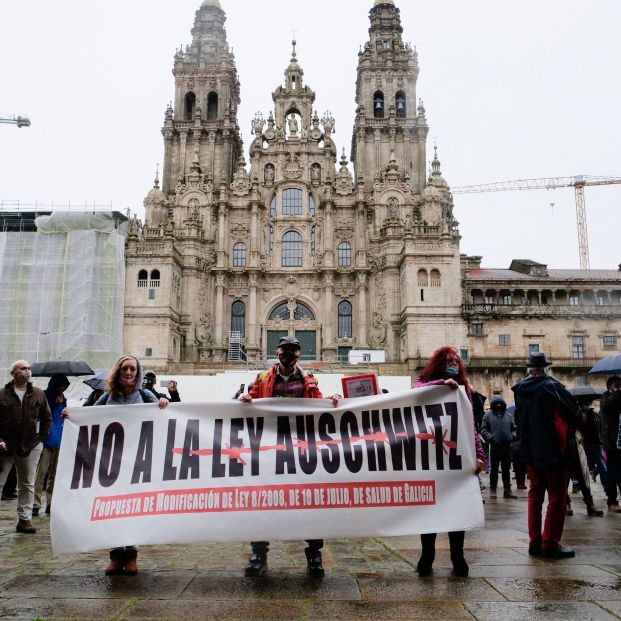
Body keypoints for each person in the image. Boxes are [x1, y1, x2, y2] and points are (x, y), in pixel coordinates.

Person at [239, 335, 341, 578]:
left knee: (311, 500)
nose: (289, 354)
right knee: (262, 500)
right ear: (277, 352)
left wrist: (333, 401)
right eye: (285, 350)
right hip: (269, 449)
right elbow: (251, 398)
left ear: (299, 354)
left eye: (294, 351)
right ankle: (259, 553)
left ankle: (314, 554)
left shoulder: (309, 380)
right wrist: (245, 399)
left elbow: (319, 404)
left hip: (301, 449)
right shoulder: (263, 378)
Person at [69, 355, 169, 575]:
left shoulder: (146, 395)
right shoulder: (107, 397)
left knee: (132, 508)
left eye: (133, 369)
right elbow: (89, 415)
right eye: (125, 369)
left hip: (137, 462)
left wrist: (163, 403)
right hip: (111, 462)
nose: (129, 373)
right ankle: (115, 555)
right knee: (113, 507)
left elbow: (164, 416)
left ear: (138, 372)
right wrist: (72, 415)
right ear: (119, 371)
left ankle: (131, 555)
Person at [411, 346, 486, 578]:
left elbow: (471, 424)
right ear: (438, 363)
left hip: (457, 455)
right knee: (429, 509)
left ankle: (457, 556)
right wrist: (441, 385)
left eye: (455, 359)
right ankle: (427, 555)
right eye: (447, 360)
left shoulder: (466, 390)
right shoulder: (427, 383)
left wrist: (481, 455)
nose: (453, 363)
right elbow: (416, 389)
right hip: (432, 456)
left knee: (458, 508)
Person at [512, 352, 580, 558]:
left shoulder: (520, 390)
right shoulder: (553, 388)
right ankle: (550, 543)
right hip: (554, 451)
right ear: (546, 369)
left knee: (535, 497)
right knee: (557, 497)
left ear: (530, 369)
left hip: (530, 451)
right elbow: (574, 413)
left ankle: (534, 543)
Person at [0, 360, 51, 534]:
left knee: (27, 483)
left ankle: (24, 520)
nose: (27, 371)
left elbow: (47, 418)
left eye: (29, 368)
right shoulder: (2, 395)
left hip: (30, 446)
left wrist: (40, 440)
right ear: (13, 373)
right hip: (5, 447)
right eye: (23, 368)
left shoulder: (38, 394)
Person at [33, 373, 69, 517]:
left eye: (65, 386)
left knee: (54, 475)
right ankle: (35, 504)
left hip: (59, 441)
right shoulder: (44, 396)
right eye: (61, 385)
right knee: (40, 474)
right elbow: (40, 415)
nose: (63, 389)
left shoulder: (63, 399)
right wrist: (55, 403)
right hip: (46, 441)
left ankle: (50, 503)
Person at [481, 396, 518, 500]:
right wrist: (490, 437)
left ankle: (507, 490)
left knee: (506, 469)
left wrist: (512, 436)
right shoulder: (487, 416)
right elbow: (483, 429)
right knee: (494, 470)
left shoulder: (509, 416)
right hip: (495, 446)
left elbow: (514, 428)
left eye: (500, 404)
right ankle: (493, 489)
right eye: (496, 404)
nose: (498, 406)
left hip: (507, 446)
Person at [599, 375, 621, 513]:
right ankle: (612, 501)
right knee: (613, 473)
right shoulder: (605, 400)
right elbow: (610, 404)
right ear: (609, 387)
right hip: (613, 444)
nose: (619, 387)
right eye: (617, 385)